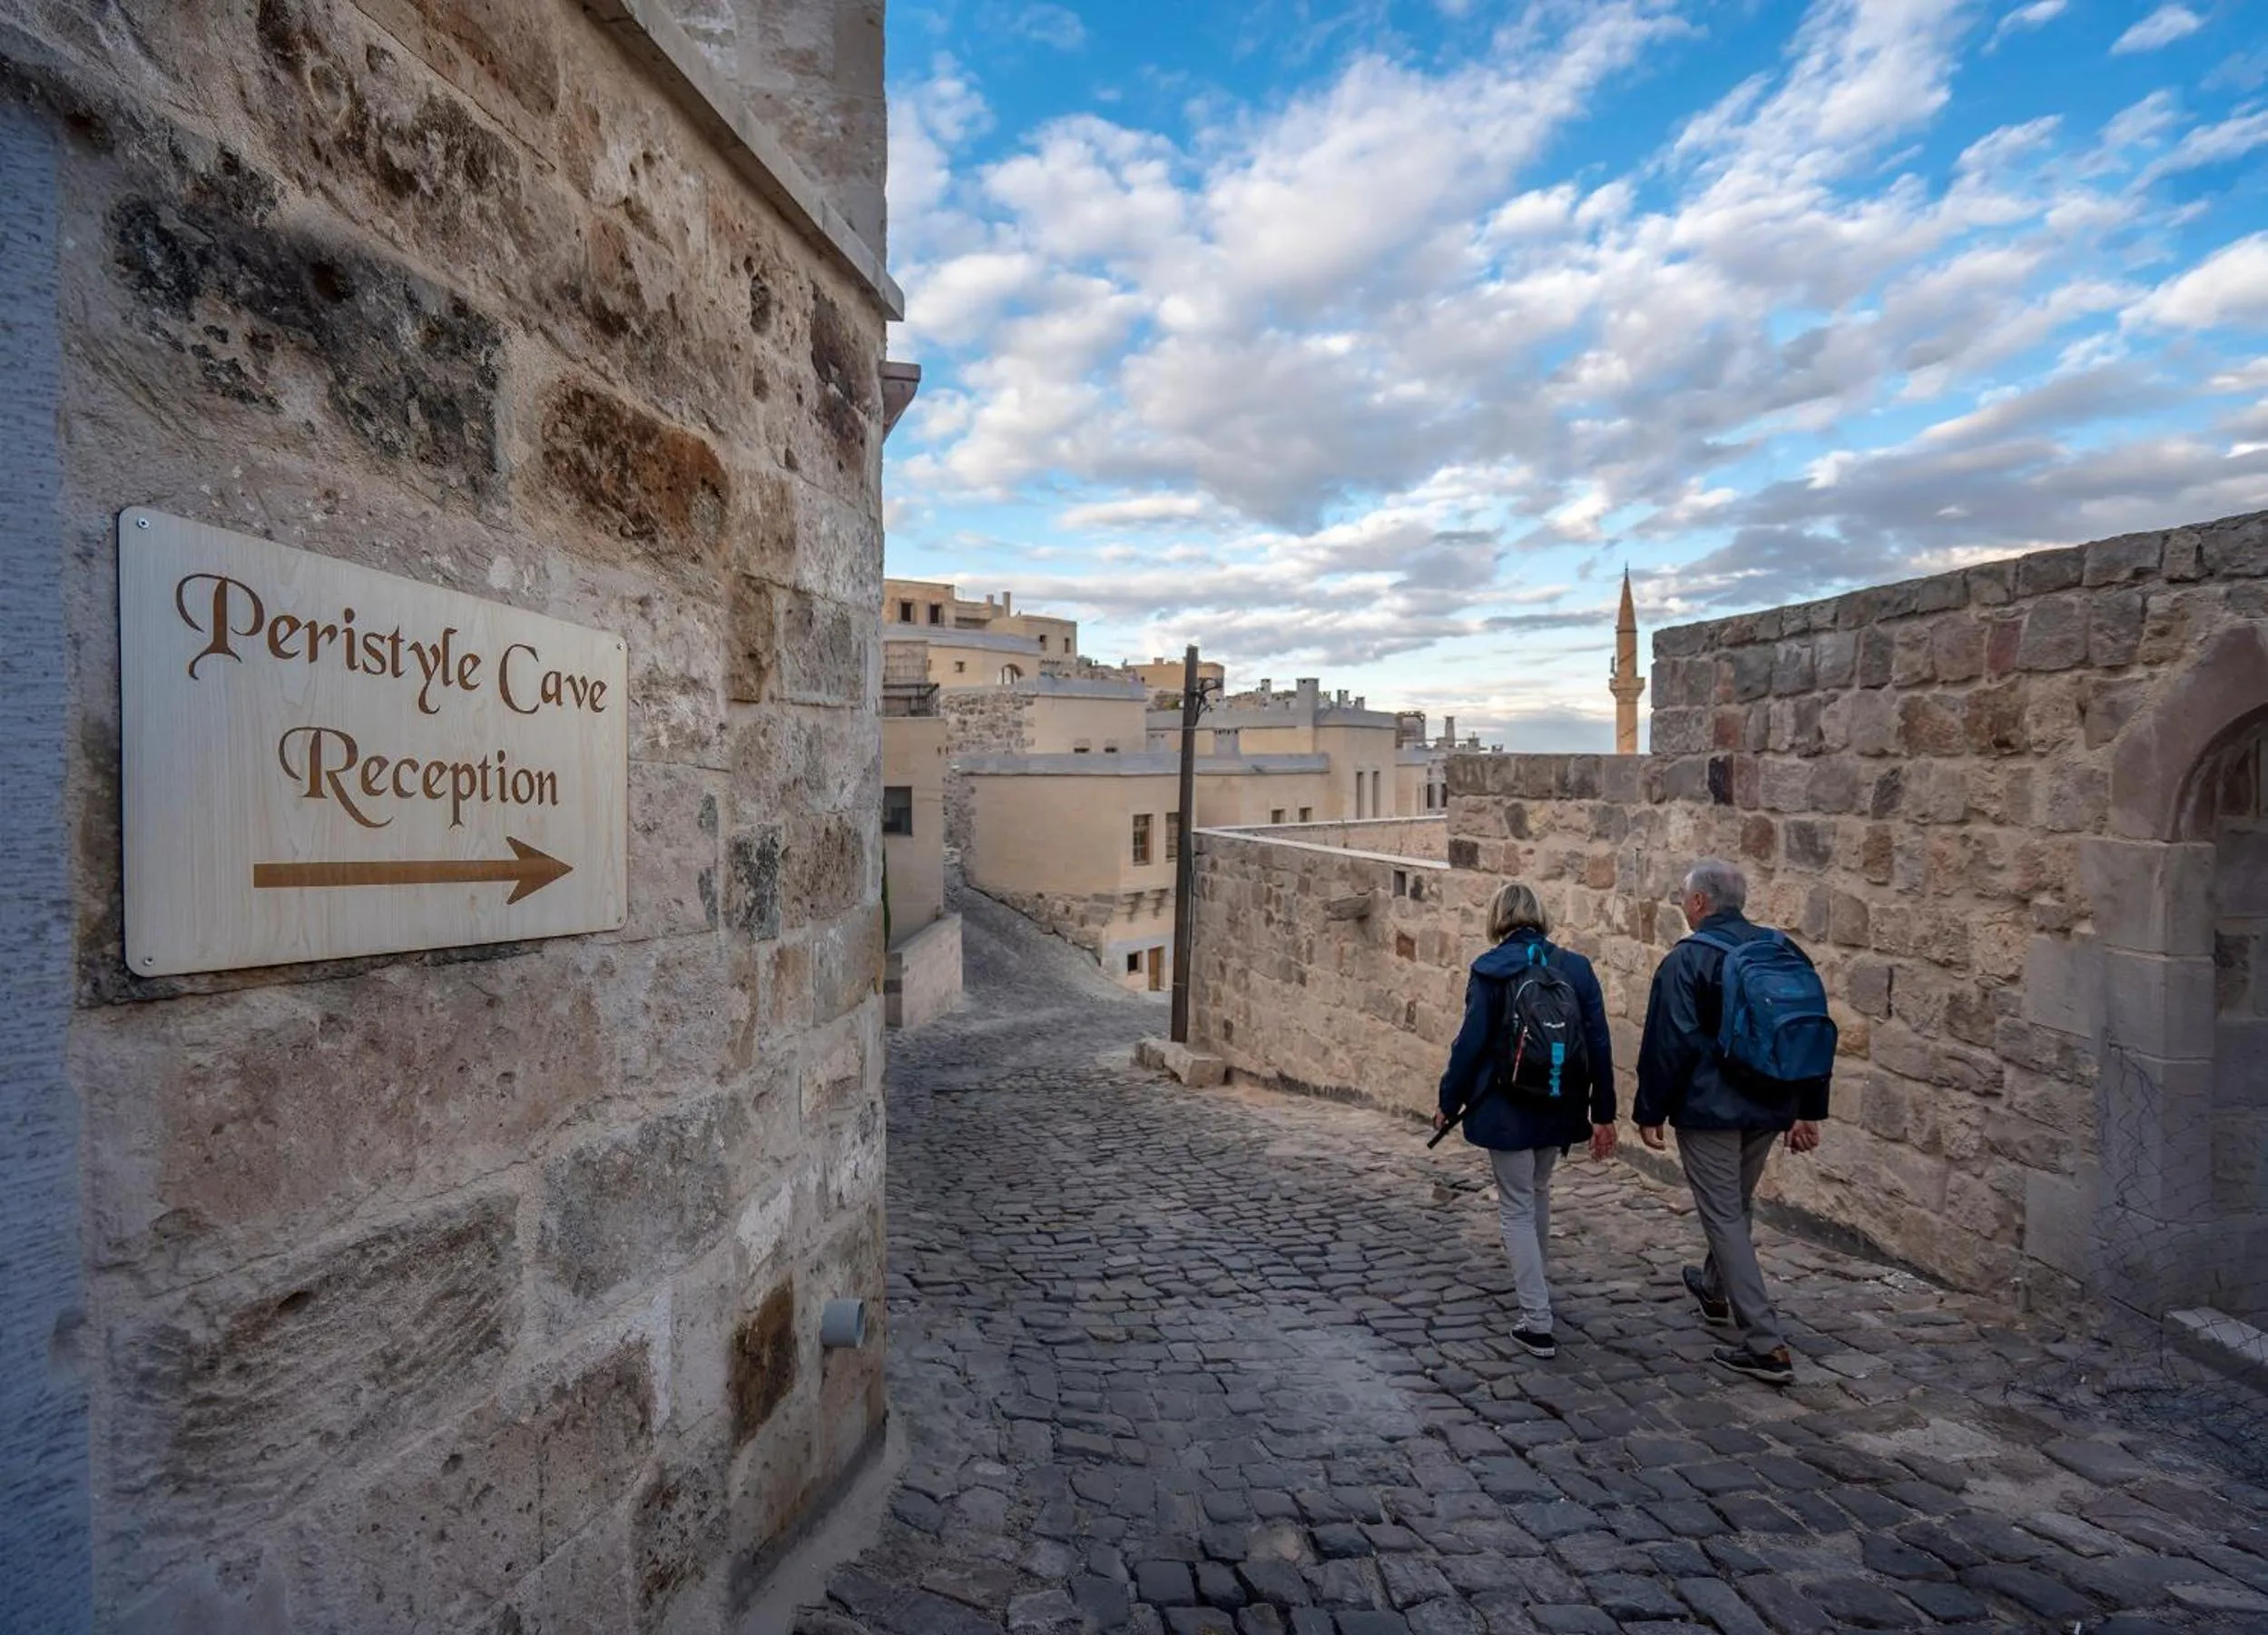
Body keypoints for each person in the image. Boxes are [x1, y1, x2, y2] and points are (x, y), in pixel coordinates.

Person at [1635, 859, 1831, 1386]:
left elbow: (1667, 1043)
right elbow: (1811, 1029)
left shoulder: (1688, 959)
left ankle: (1766, 1344)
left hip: (1709, 1111)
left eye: (1683, 896)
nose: (1681, 903)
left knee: (1723, 1213)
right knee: (1734, 1205)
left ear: (1700, 903)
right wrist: (1807, 1108)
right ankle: (1713, 1289)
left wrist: (1648, 1111)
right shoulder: (1782, 950)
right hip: (1768, 1106)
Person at [1435, 882, 1616, 1360]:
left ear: (1498, 918)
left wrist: (1448, 1100)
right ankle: (1537, 1289)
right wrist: (1605, 1113)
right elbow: (1599, 1043)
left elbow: (1469, 1044)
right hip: (1560, 1101)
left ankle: (1537, 1320)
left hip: (1506, 1106)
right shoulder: (1575, 968)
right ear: (1540, 916)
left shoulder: (1490, 969)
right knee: (1537, 1193)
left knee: (1516, 1205)